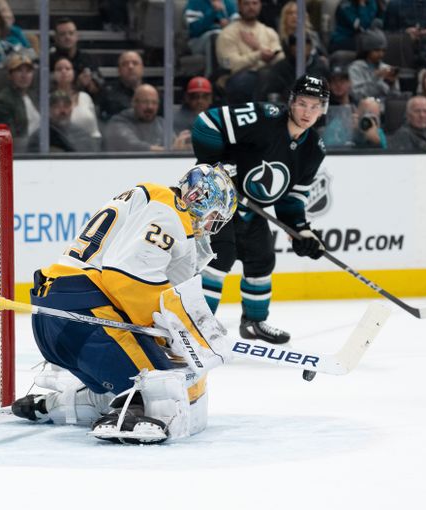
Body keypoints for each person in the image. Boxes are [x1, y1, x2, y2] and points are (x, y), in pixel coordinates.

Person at [9, 164, 238, 444]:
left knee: (118, 389)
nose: (211, 225)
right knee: (167, 391)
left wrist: (174, 326)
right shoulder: (169, 212)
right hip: (86, 317)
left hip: (56, 315)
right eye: (214, 215)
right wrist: (177, 328)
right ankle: (128, 414)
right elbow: (125, 278)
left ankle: (53, 405)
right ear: (197, 198)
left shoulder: (150, 198)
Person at [191, 75, 329, 343]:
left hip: (250, 208)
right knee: (220, 256)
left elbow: (290, 199)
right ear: (291, 102)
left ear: (324, 109)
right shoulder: (264, 117)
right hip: (217, 201)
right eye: (302, 103)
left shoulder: (314, 149)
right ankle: (197, 324)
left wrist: (302, 232)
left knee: (262, 258)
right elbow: (205, 124)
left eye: (315, 106)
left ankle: (254, 323)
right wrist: (218, 165)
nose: (307, 112)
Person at [215, 0, 284, 104]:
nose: (251, 7)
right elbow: (231, 64)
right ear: (239, 6)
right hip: (237, 79)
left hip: (267, 77)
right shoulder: (228, 33)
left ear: (260, 5)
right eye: (246, 3)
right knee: (257, 78)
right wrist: (259, 55)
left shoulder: (269, 32)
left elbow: (280, 58)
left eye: (255, 3)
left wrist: (257, 46)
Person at [104, 84, 190, 152]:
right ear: (134, 103)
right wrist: (171, 151)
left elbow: (174, 145)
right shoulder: (118, 123)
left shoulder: (162, 123)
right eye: (145, 102)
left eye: (154, 103)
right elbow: (136, 149)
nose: (150, 107)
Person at [0, 54, 39, 151]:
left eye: (28, 71)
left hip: (40, 147)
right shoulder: (1, 102)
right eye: (19, 70)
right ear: (10, 75)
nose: (24, 76)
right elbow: (9, 139)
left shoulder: (35, 96)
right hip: (21, 154)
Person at [27, 90, 101, 153]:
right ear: (48, 110)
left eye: (66, 106)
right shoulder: (39, 138)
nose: (63, 111)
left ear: (71, 109)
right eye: (57, 106)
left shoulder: (83, 135)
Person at [49, 18, 104, 100]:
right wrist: (76, 85)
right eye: (62, 34)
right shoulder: (48, 61)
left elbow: (99, 86)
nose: (67, 37)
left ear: (77, 36)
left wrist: (90, 84)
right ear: (56, 38)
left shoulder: (88, 59)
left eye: (71, 33)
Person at [51, 56, 102, 141]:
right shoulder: (48, 99)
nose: (64, 71)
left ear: (73, 73)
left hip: (88, 146)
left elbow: (95, 130)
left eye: (68, 68)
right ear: (53, 75)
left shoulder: (85, 97)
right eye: (59, 69)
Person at [184, 0, 238, 77]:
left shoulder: (230, 3)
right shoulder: (194, 2)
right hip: (199, 40)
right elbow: (194, 29)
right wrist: (213, 12)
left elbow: (239, 27)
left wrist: (228, 26)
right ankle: (212, 78)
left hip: (226, 37)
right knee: (215, 37)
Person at [348, 27, 400, 103]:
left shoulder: (386, 68)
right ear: (367, 50)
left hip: (385, 109)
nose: (381, 54)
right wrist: (376, 78)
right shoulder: (355, 68)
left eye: (383, 50)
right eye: (377, 50)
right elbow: (356, 95)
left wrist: (391, 83)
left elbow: (395, 97)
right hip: (364, 108)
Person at [99, 50, 144, 122]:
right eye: (125, 64)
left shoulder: (153, 93)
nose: (130, 67)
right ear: (119, 70)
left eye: (135, 63)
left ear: (142, 68)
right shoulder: (108, 94)